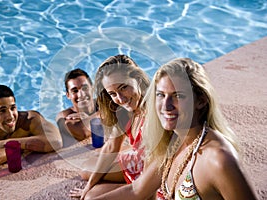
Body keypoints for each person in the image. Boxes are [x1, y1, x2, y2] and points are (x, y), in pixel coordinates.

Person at [86, 58, 257, 200]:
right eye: (161, 95)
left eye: (178, 96)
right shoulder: (171, 144)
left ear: (201, 101)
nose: (166, 106)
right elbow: (137, 191)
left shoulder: (218, 158)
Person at [70, 54, 150, 199]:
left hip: (151, 175)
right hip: (139, 161)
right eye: (113, 93)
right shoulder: (124, 112)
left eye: (124, 87)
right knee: (86, 170)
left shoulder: (154, 111)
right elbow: (111, 148)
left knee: (91, 198)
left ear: (137, 78)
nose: (120, 99)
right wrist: (88, 187)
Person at [0, 85, 63, 174]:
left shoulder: (29, 119)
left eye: (13, 108)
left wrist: (9, 143)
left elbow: (56, 141)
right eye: (2, 111)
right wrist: (22, 147)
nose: (10, 116)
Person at [56, 68, 98, 147]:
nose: (81, 94)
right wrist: (105, 114)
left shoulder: (104, 103)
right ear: (68, 95)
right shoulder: (64, 116)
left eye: (85, 88)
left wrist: (88, 118)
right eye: (75, 91)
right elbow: (83, 132)